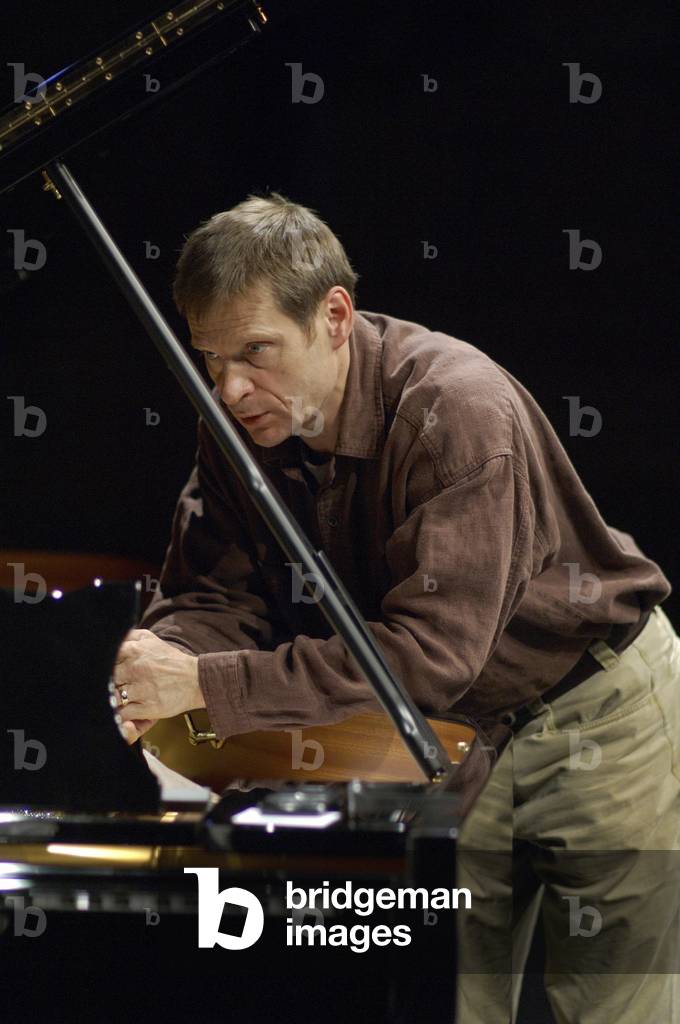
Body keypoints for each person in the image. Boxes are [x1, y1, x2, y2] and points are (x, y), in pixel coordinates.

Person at [113, 193, 679, 1022]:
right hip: (447, 738)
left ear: (335, 316)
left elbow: (429, 655)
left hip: (593, 708)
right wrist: (162, 662)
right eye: (210, 359)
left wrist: (209, 683)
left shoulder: (456, 410)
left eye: (256, 351)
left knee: (614, 1010)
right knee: (439, 1002)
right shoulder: (239, 423)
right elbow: (212, 594)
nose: (230, 388)